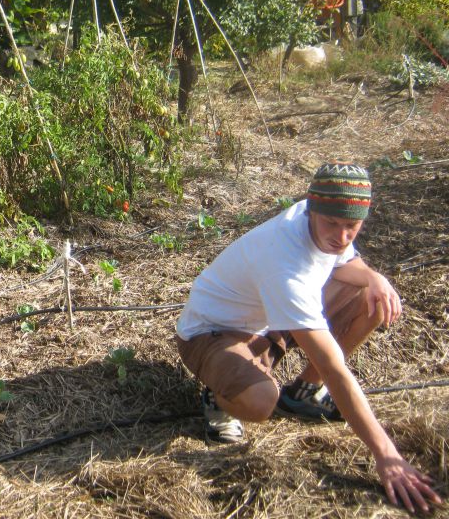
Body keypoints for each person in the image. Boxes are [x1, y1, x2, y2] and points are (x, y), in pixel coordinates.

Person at [176, 162, 442, 513]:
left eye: (352, 226)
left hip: (265, 322)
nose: (342, 236)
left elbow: (346, 262)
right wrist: (387, 455)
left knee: (373, 300)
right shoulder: (285, 265)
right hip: (211, 335)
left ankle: (303, 394)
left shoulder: (324, 212)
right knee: (259, 401)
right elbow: (335, 369)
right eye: (333, 223)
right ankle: (218, 398)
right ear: (312, 209)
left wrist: (375, 277)